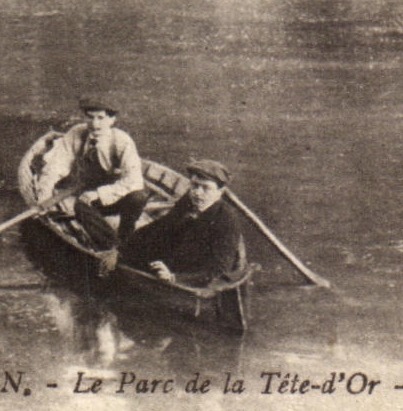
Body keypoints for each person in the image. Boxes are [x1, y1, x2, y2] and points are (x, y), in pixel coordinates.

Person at [35, 97, 151, 268]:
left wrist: (98, 193)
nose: (95, 124)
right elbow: (56, 166)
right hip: (90, 196)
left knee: (139, 197)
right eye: (90, 117)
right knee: (80, 206)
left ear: (112, 120)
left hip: (116, 194)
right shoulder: (76, 134)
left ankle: (125, 236)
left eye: (101, 118)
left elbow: (133, 180)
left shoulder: (122, 141)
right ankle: (113, 247)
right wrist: (44, 198)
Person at [122, 159, 247, 287]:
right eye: (194, 185)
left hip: (191, 276)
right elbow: (160, 225)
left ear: (220, 191)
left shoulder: (227, 218)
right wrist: (120, 250)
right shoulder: (189, 200)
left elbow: (218, 270)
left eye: (206, 188)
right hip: (171, 262)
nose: (197, 192)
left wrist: (174, 278)